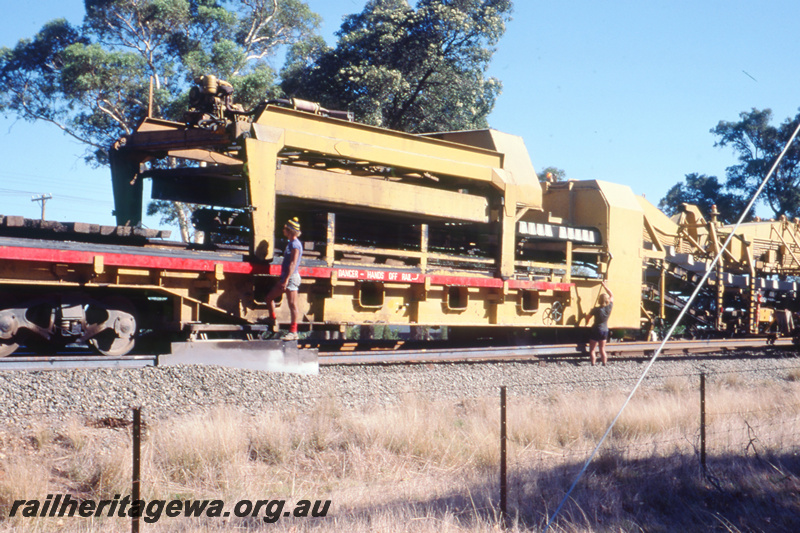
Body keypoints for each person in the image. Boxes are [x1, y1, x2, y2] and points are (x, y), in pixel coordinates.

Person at [265, 217, 303, 341]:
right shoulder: (291, 243)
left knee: (292, 305)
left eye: (285, 229)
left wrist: (286, 280)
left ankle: (293, 331)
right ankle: (272, 319)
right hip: (286, 277)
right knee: (269, 298)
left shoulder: (295, 245)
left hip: (291, 278)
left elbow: (293, 264)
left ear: (290, 231)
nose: (283, 230)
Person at [585, 280, 614, 366]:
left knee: (592, 349)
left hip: (596, 329)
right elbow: (612, 295)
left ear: (599, 300)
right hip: (605, 330)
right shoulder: (609, 307)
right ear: (607, 300)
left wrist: (587, 321)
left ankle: (593, 364)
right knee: (602, 349)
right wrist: (605, 287)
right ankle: (604, 364)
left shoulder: (595, 309)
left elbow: (588, 317)